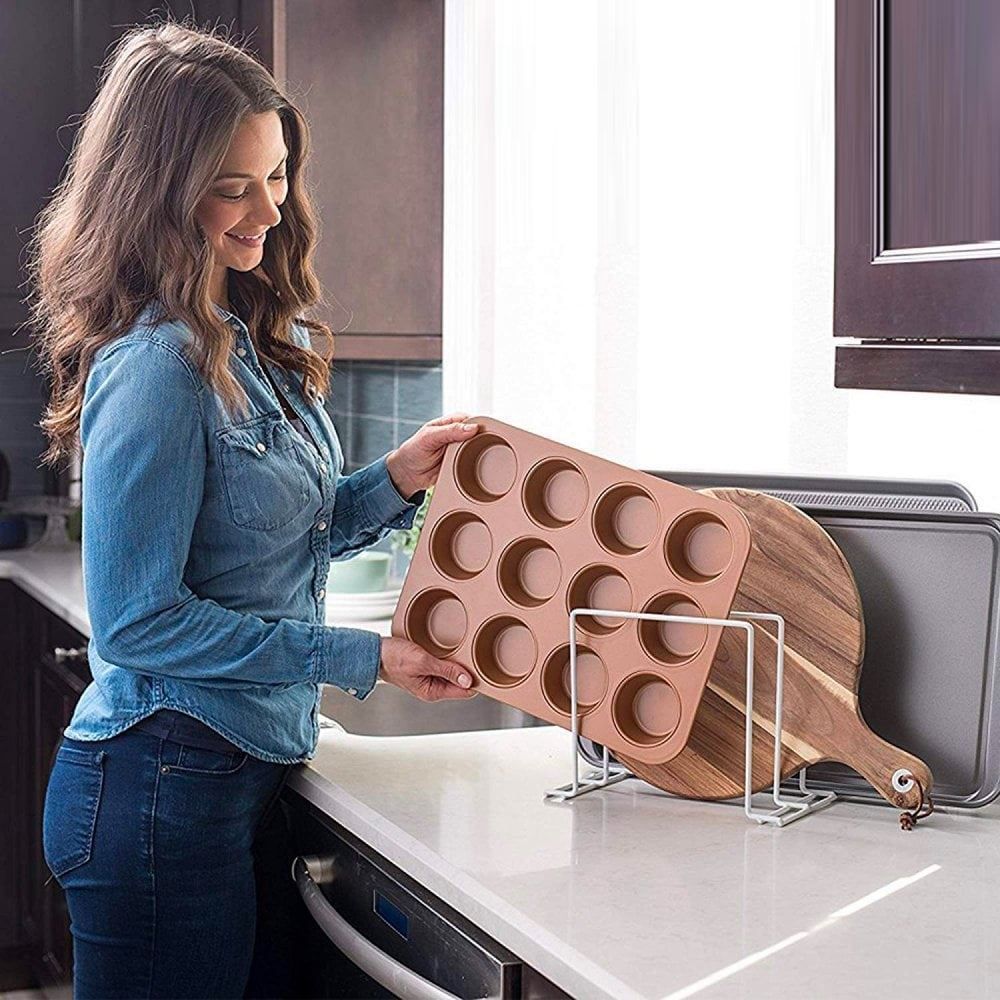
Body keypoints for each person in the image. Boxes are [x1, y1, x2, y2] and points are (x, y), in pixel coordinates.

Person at [27, 18, 478, 999]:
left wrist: (395, 479)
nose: (267, 209)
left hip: (217, 780)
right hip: (155, 792)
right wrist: (363, 657)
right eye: (233, 185)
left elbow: (283, 539)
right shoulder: (158, 368)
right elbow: (141, 620)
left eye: (275, 176)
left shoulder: (239, 336)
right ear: (156, 192)